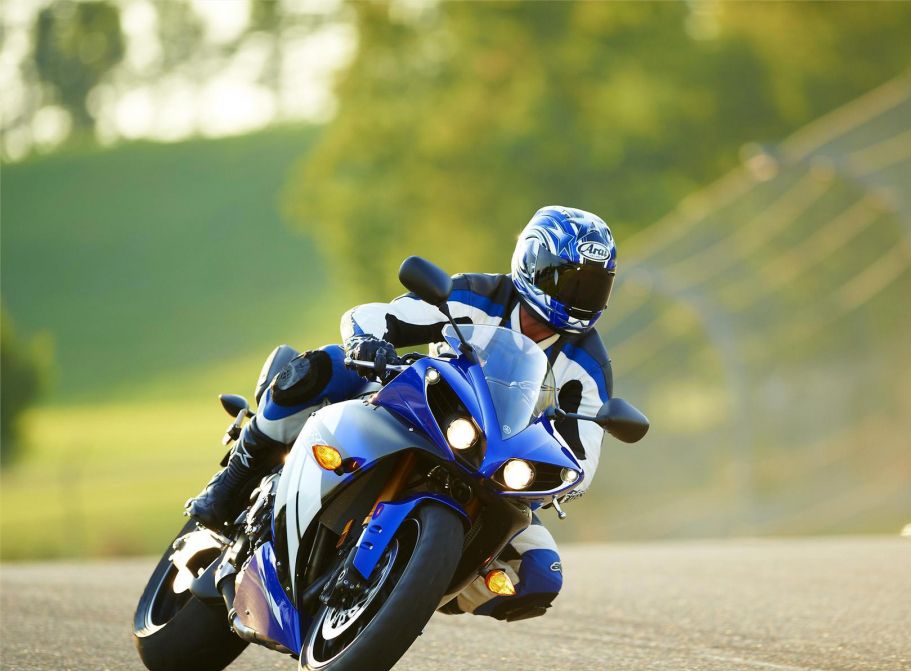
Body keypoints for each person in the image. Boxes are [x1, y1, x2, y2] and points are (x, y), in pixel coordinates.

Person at [186, 206, 617, 622]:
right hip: (422, 411)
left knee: (539, 574)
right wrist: (367, 343)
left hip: (496, 467)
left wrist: (555, 481)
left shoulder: (589, 366)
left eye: (594, 287)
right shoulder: (474, 295)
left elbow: (583, 458)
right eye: (569, 282)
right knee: (321, 368)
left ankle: (412, 585)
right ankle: (232, 480)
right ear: (533, 264)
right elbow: (374, 316)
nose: (578, 298)